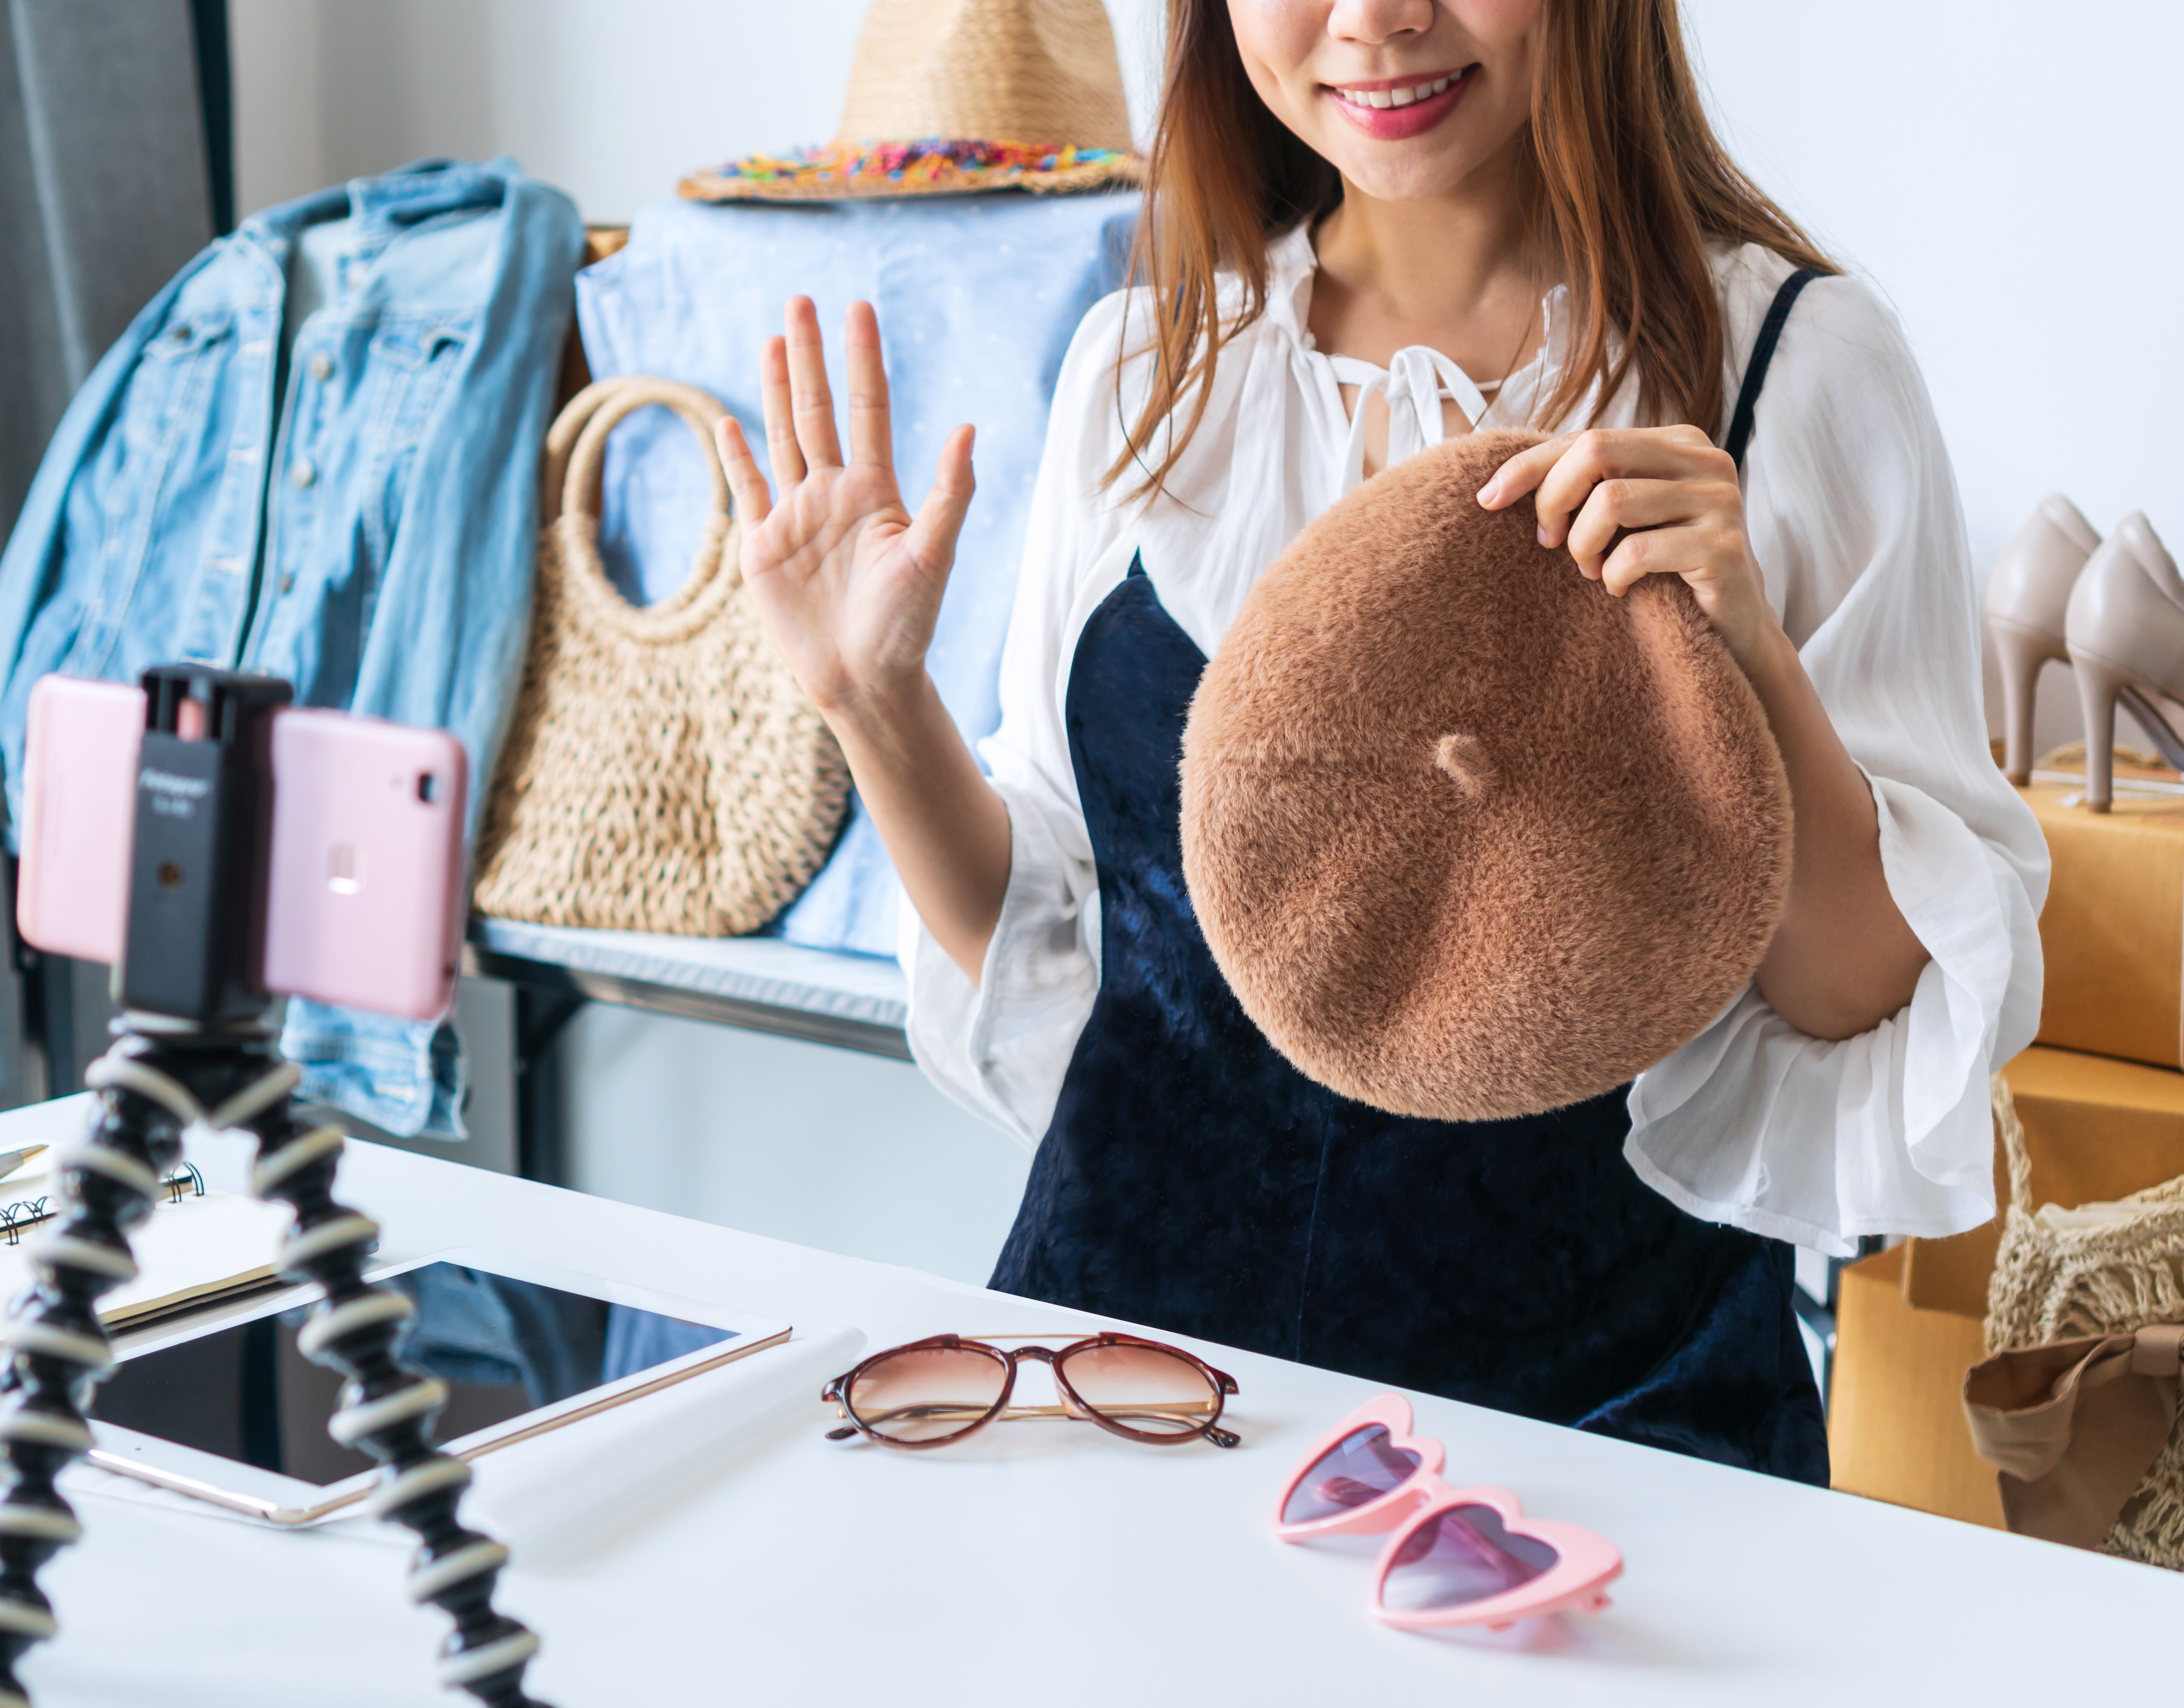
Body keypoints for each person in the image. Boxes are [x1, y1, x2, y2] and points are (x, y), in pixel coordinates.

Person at [712, 0, 2044, 1481]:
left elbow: (1865, 1005)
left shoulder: (1794, 366)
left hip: (1592, 1457)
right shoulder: (1150, 366)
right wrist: (873, 699)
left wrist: (1750, 656)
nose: (1378, 21)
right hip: (1131, 1404)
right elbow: (1078, 971)